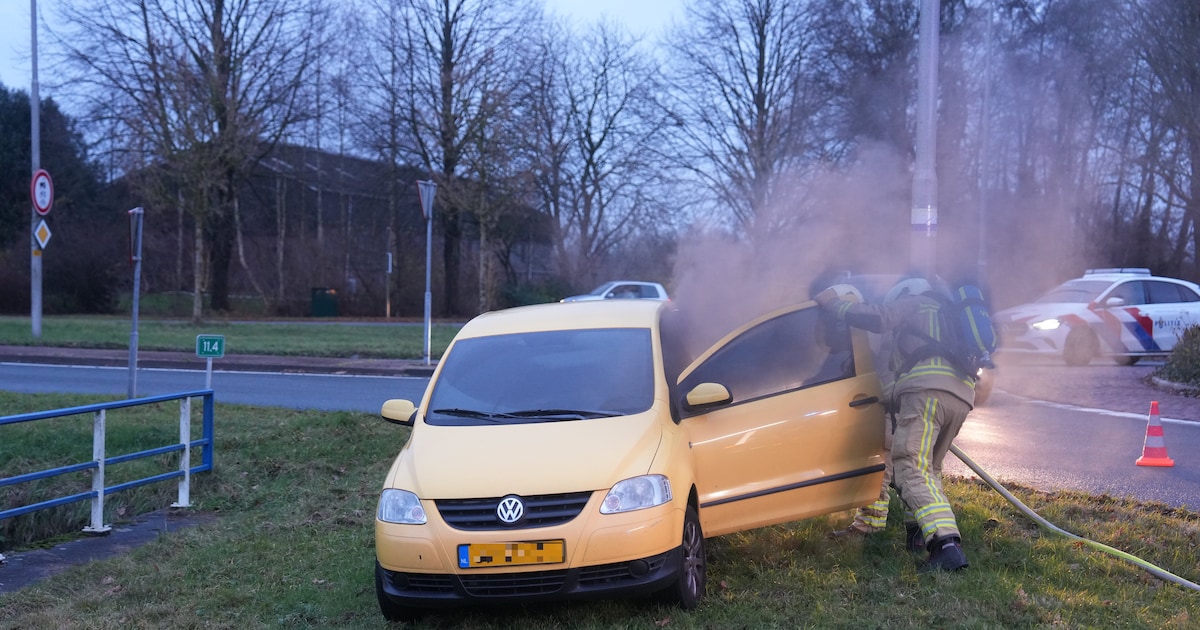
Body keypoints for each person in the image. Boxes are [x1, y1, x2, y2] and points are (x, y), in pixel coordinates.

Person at [815, 276, 975, 572]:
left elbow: (879, 317)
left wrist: (835, 307)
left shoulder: (916, 303)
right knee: (929, 470)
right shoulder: (947, 312)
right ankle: (917, 536)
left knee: (910, 467)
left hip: (926, 394)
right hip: (961, 397)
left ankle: (946, 546)